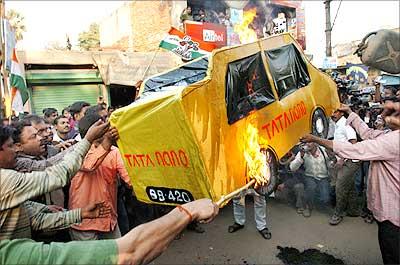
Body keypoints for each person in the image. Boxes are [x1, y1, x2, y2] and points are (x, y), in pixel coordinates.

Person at [300, 103, 400, 265]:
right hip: (389, 212)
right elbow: (368, 133)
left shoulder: (393, 140)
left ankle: (340, 212)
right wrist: (350, 113)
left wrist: (316, 139)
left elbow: (355, 149)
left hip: (393, 216)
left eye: (391, 111)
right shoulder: (388, 135)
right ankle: (354, 209)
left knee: (392, 255)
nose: (383, 113)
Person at [0, 198, 218, 265]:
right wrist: (188, 211)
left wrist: (77, 214)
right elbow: (129, 253)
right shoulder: (10, 256)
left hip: (103, 219)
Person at [0, 120, 110, 240]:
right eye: (11, 146)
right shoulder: (6, 179)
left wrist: (80, 214)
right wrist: (87, 140)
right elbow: (59, 174)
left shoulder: (45, 152)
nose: (15, 150)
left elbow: (36, 220)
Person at [68, 112, 132, 240]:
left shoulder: (114, 151)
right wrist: (107, 143)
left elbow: (129, 179)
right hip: (83, 221)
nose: (108, 129)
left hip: (108, 220)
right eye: (103, 127)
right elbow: (89, 166)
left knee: (116, 259)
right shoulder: (75, 151)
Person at [329, 109, 361, 225]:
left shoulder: (345, 124)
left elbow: (353, 142)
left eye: (335, 112)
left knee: (340, 186)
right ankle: (354, 210)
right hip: (344, 160)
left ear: (342, 113)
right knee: (349, 185)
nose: (332, 115)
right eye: (331, 112)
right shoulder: (337, 125)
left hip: (351, 160)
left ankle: (338, 214)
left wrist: (342, 158)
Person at [289, 142, 332, 217]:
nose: (308, 145)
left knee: (325, 197)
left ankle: (321, 205)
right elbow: (292, 168)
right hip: (309, 176)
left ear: (315, 143)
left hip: (323, 177)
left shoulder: (324, 151)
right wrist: (301, 157)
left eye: (310, 142)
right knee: (311, 188)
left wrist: (332, 159)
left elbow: (330, 165)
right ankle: (307, 207)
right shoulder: (303, 152)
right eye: (306, 143)